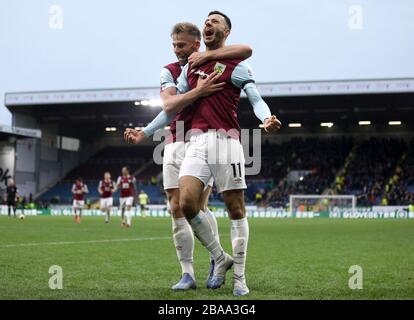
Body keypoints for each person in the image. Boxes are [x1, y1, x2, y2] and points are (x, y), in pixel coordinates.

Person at [161, 11, 281, 296]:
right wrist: (144, 129)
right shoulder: (191, 68)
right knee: (186, 205)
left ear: (226, 31)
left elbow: (256, 98)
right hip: (196, 142)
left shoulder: (236, 66)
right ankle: (220, 257)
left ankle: (240, 278)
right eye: (206, 21)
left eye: (214, 21)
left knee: (235, 209)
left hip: (227, 140)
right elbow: (172, 107)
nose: (207, 24)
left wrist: (266, 118)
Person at [124, 22, 252, 290]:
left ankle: (216, 261)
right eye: (173, 45)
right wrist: (146, 132)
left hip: (203, 138)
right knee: (176, 206)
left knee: (197, 205)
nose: (176, 50)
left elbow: (244, 49)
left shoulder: (209, 62)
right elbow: (169, 105)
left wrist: (209, 57)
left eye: (181, 45)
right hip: (174, 138)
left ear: (196, 45)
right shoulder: (170, 71)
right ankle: (189, 272)